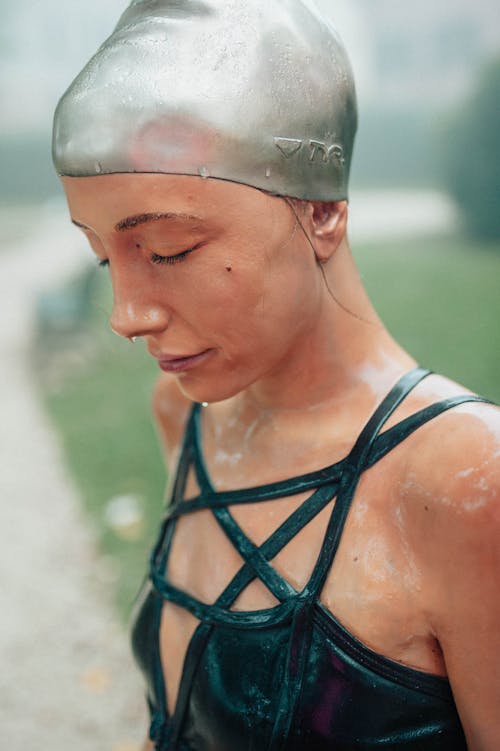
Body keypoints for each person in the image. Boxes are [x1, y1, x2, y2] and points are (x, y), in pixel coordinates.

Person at [52, 1, 499, 749]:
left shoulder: (466, 483)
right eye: (104, 256)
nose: (125, 315)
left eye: (167, 250)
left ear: (321, 210)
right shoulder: (189, 414)